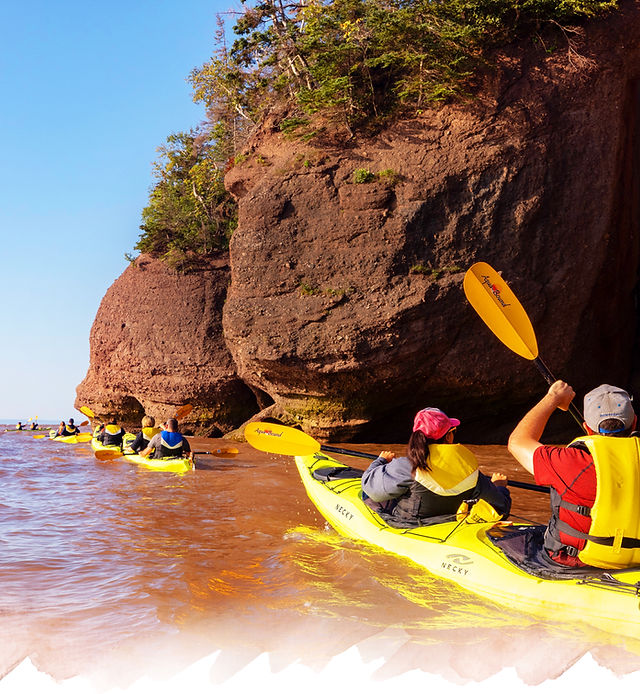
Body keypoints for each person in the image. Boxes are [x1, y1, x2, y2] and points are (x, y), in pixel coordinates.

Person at [508, 381, 640, 570]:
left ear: (587, 428)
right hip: (635, 562)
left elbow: (517, 442)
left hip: (575, 563)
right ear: (634, 422)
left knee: (514, 542)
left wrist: (553, 398)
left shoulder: (570, 461)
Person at [361, 407, 511, 525]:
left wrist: (380, 461)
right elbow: (500, 507)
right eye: (453, 431)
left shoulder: (406, 465)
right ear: (448, 436)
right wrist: (499, 487)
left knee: (367, 496)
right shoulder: (469, 468)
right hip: (448, 524)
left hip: (408, 526)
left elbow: (369, 486)